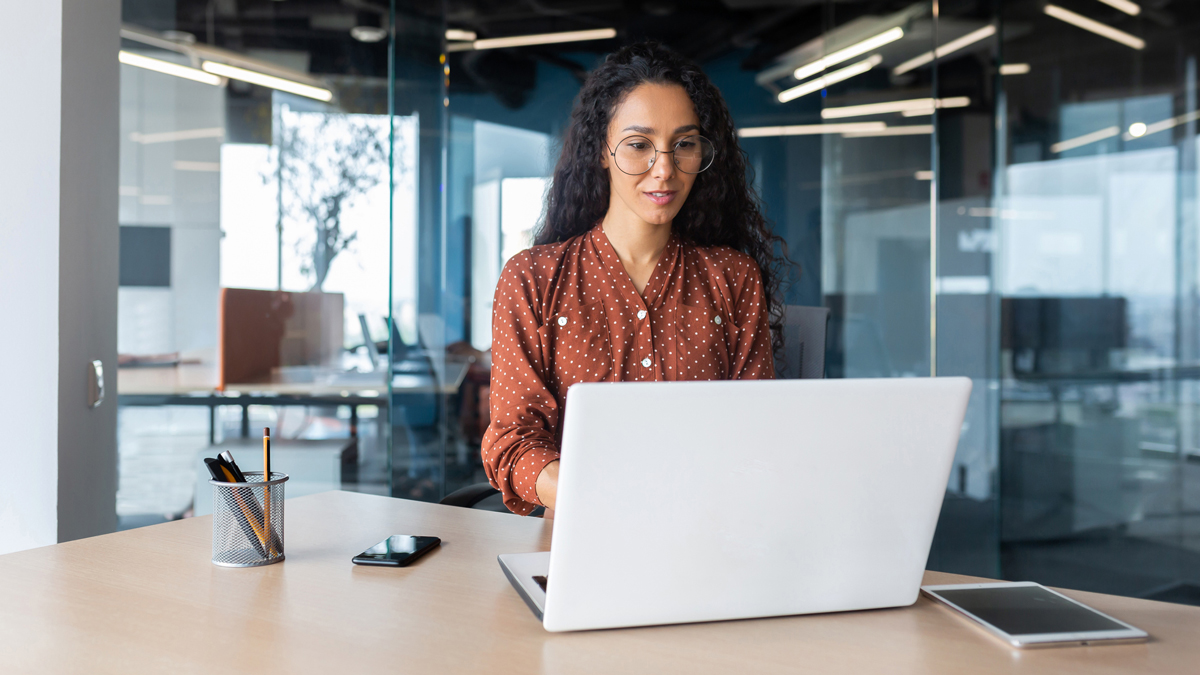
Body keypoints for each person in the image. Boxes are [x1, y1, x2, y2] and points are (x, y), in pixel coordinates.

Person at [481, 42, 790, 516]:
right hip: (579, 535)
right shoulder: (533, 278)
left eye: (684, 144)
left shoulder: (733, 278)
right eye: (639, 145)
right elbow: (512, 442)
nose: (664, 169)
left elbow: (757, 434)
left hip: (706, 530)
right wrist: (607, 497)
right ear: (601, 152)